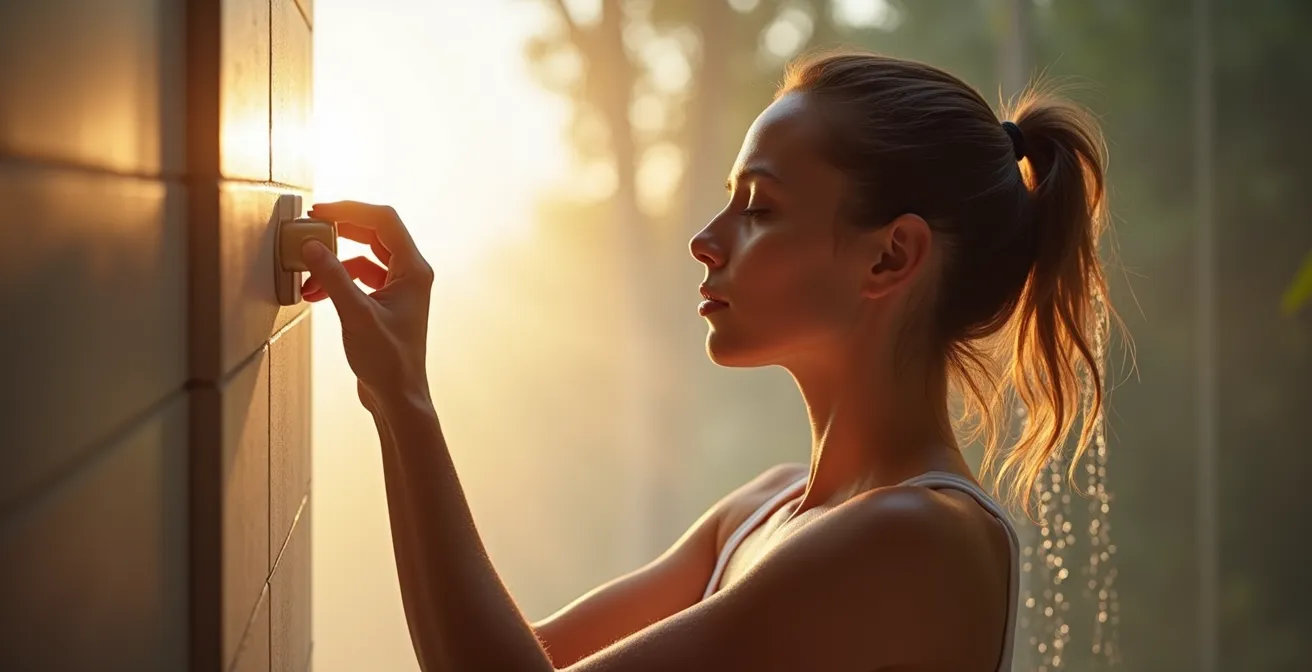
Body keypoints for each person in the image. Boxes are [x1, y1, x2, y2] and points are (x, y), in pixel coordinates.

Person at [300, 50, 1116, 671]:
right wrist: (393, 395)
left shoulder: (916, 538)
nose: (707, 239)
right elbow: (508, 657)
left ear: (890, 258)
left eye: (758, 207)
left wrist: (404, 399)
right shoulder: (763, 510)